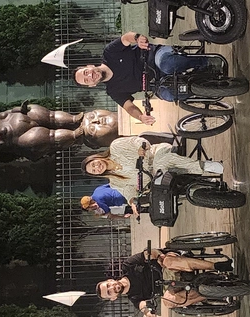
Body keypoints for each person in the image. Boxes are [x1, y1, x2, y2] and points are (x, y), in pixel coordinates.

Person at [74, 32, 217, 125]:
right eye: (86, 80)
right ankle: (205, 88)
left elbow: (126, 38)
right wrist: (141, 117)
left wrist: (137, 38)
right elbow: (129, 107)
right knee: (169, 95)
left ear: (90, 66)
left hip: (155, 57)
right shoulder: (113, 91)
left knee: (167, 64)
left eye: (86, 72)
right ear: (91, 85)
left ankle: (205, 62)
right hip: (156, 84)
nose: (90, 76)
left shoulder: (109, 53)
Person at [82, 135, 223, 204]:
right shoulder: (115, 182)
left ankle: (206, 166)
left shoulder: (115, 147)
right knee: (165, 191)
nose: (97, 168)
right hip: (154, 180)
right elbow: (128, 191)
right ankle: (205, 188)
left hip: (156, 154)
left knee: (163, 162)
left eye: (94, 164)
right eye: (94, 171)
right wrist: (132, 202)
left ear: (96, 157)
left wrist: (141, 148)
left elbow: (138, 140)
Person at [96, 246, 226, 311]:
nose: (112, 288)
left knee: (169, 261)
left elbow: (148, 253)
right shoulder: (134, 298)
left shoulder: (128, 266)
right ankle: (214, 291)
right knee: (168, 302)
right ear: (113, 298)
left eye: (108, 285)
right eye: (109, 292)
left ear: (110, 280)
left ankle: (216, 266)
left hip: (166, 267)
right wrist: (148, 312)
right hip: (168, 288)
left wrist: (158, 256)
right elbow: (142, 306)